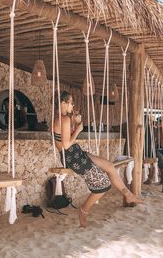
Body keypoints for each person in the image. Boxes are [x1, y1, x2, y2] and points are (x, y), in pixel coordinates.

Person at [53, 91, 143, 228]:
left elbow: (64, 139)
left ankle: (128, 194)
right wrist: (78, 129)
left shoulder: (61, 118)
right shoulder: (63, 119)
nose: (73, 105)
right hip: (72, 157)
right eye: (71, 102)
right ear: (63, 103)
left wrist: (76, 122)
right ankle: (83, 210)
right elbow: (65, 145)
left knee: (110, 167)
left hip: (75, 153)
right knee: (103, 186)